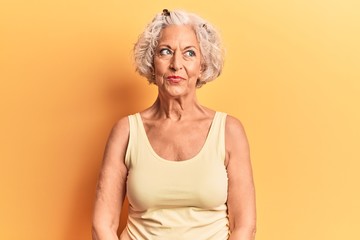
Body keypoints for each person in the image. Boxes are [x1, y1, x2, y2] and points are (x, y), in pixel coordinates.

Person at [92, 9, 256, 240]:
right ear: (152, 62)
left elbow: (244, 226)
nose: (176, 64)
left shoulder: (229, 131)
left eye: (189, 53)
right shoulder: (126, 131)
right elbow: (102, 225)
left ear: (202, 65)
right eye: (165, 52)